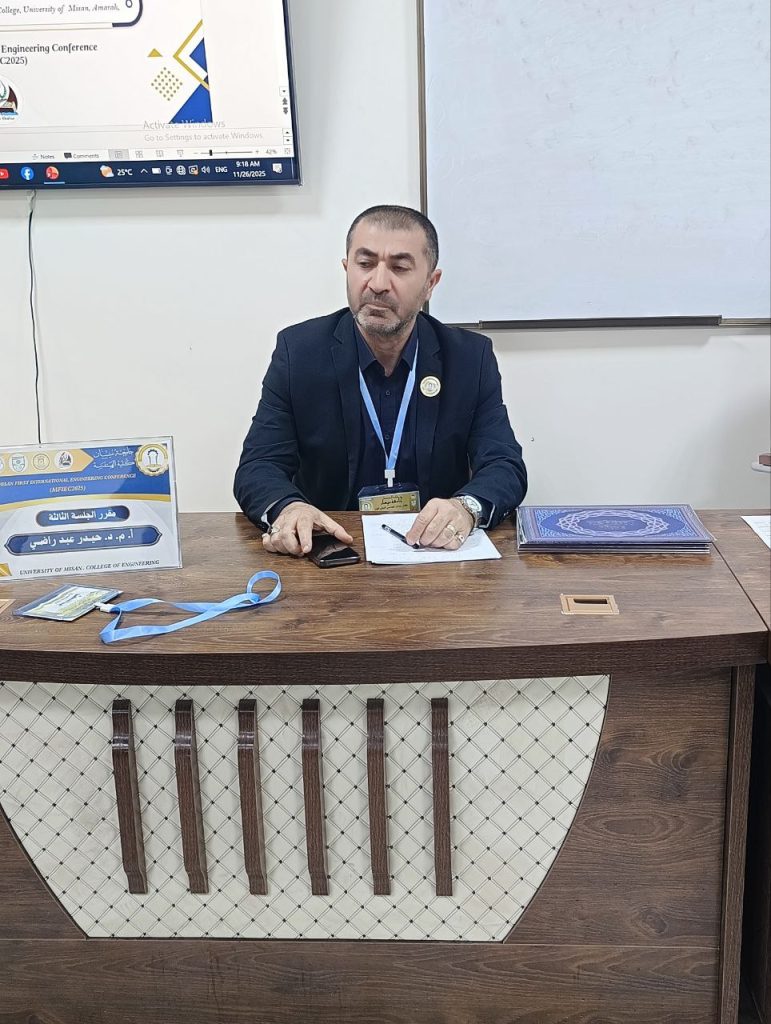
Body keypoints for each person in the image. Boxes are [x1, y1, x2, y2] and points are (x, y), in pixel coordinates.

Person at [234, 205, 527, 556]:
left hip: (434, 555)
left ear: (431, 283)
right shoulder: (299, 352)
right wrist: (289, 508)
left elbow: (504, 465)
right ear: (347, 269)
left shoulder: (468, 358)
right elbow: (259, 465)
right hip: (331, 552)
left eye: (400, 268)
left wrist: (466, 507)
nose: (377, 284)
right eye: (365, 263)